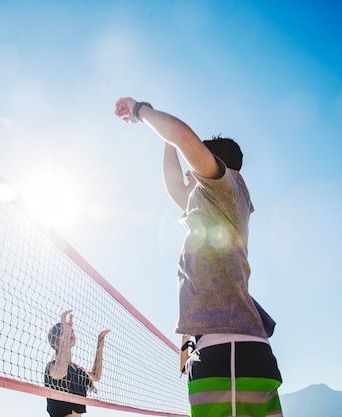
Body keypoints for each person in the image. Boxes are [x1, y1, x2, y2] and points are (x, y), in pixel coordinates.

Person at [114, 98, 283, 417]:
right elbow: (174, 185)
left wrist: (141, 111)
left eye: (196, 165)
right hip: (231, 348)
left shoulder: (222, 187)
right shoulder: (210, 208)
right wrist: (166, 143)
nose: (190, 174)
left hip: (227, 348)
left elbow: (183, 137)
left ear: (213, 163)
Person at [44, 309, 110, 417]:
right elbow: (59, 373)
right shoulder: (51, 366)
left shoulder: (77, 369)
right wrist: (66, 335)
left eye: (71, 331)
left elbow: (96, 376)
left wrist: (100, 342)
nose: (70, 333)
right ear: (54, 341)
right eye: (63, 331)